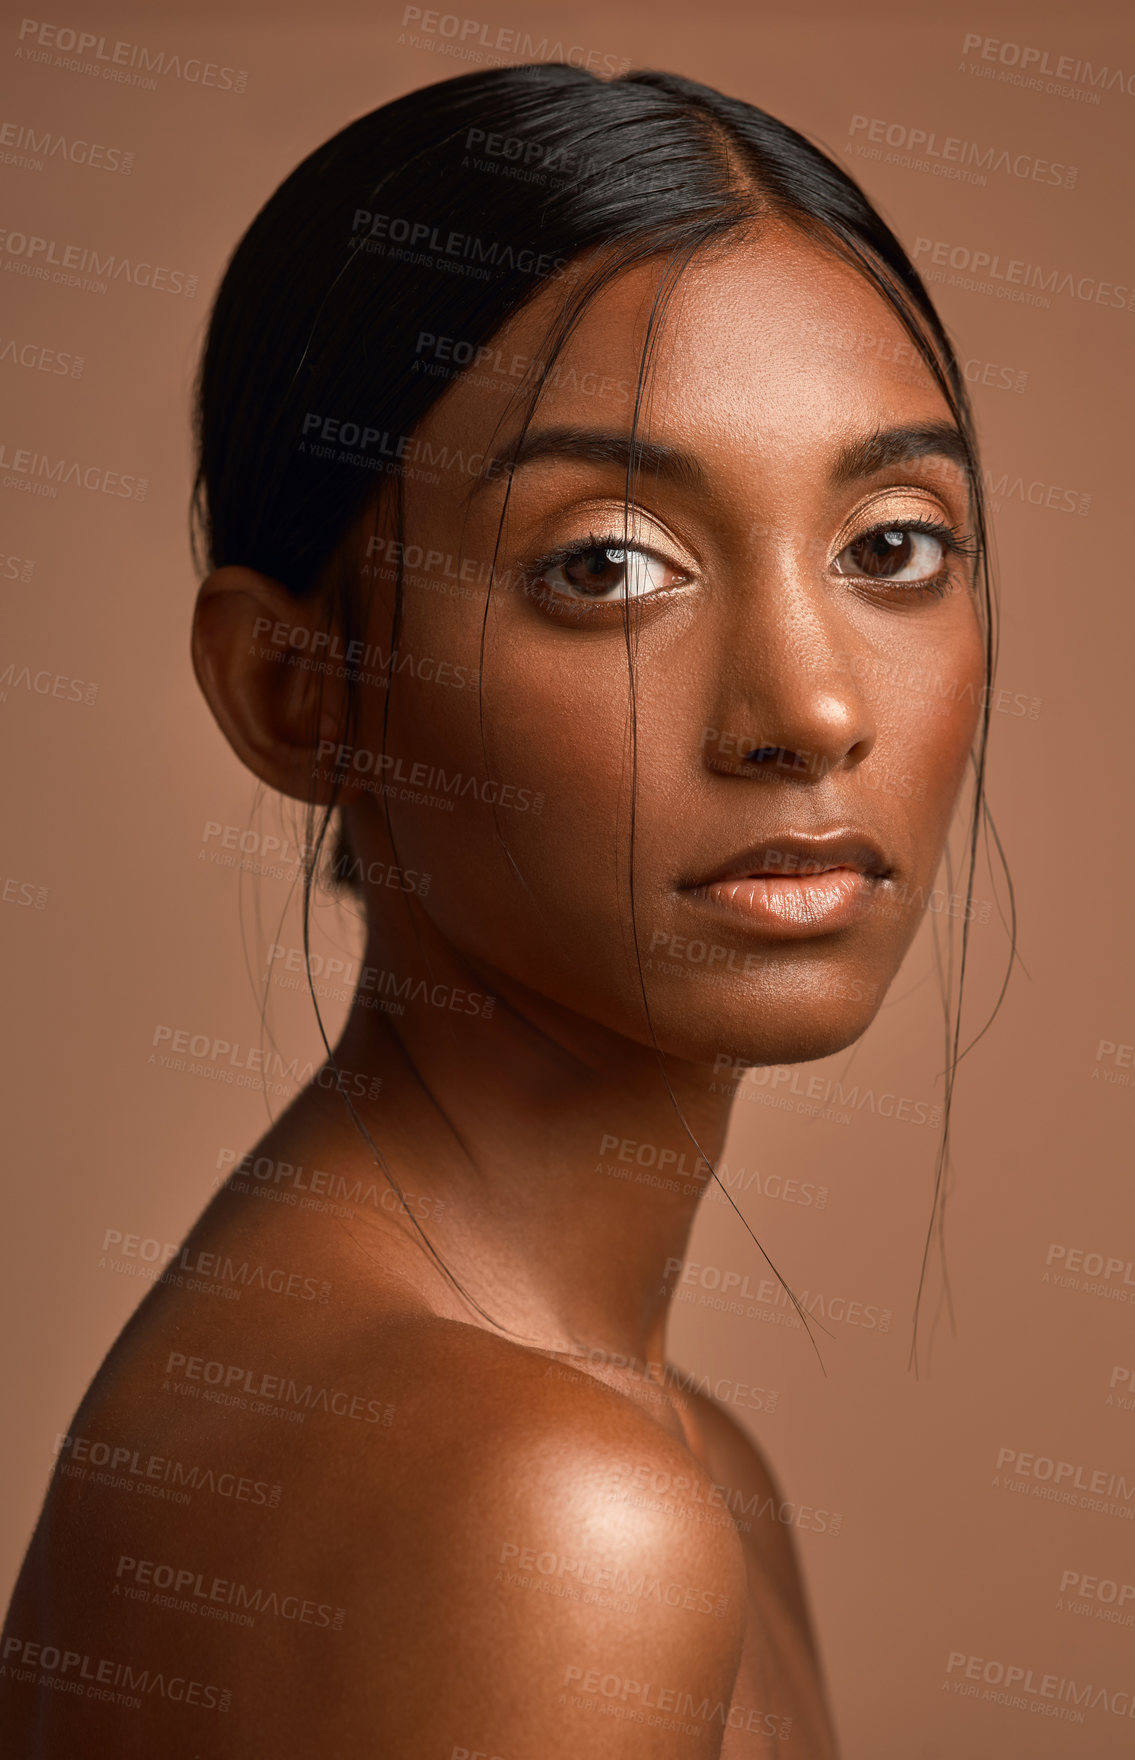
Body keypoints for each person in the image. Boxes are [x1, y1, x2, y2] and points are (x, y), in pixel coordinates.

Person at [1, 61, 994, 1757]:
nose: (815, 712)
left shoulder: (644, 1459)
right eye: (607, 563)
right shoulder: (539, 1510)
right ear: (295, 689)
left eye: (893, 546)